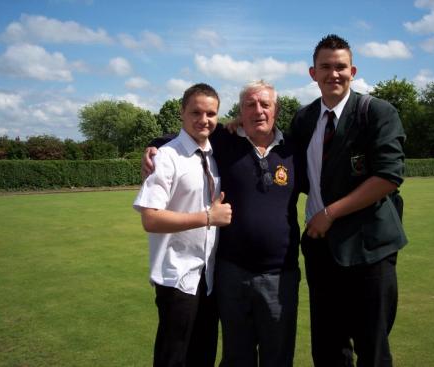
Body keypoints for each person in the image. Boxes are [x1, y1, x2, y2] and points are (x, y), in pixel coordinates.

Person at [144, 80, 303, 367]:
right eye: (250, 105)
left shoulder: (294, 149)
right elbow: (187, 137)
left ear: (276, 109)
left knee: (277, 357)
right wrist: (154, 147)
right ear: (239, 112)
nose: (258, 110)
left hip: (281, 274)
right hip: (231, 274)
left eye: (265, 104)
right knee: (236, 357)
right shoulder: (224, 141)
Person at [290, 34, 407, 367]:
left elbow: (388, 176)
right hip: (321, 249)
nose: (334, 74)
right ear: (313, 73)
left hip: (370, 250)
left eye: (340, 66)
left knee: (372, 349)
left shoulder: (377, 112)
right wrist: (161, 143)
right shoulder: (304, 119)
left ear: (352, 70)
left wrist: (330, 212)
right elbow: (270, 146)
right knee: (328, 349)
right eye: (325, 67)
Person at [133, 83, 232, 367]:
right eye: (196, 112)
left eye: (211, 113)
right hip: (176, 277)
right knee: (172, 358)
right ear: (182, 113)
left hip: (209, 277)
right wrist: (208, 217)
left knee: (203, 356)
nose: (204, 120)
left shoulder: (214, 155)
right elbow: (150, 218)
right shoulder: (165, 157)